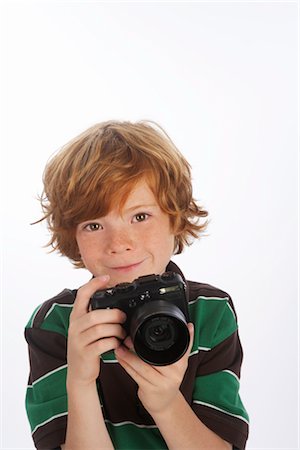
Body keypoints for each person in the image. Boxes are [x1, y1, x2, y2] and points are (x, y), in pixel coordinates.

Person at [25, 120, 249, 450]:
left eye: (140, 217)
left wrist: (165, 403)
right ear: (72, 235)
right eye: (94, 224)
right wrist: (81, 381)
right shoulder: (56, 324)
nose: (120, 243)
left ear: (175, 217)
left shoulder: (210, 313)